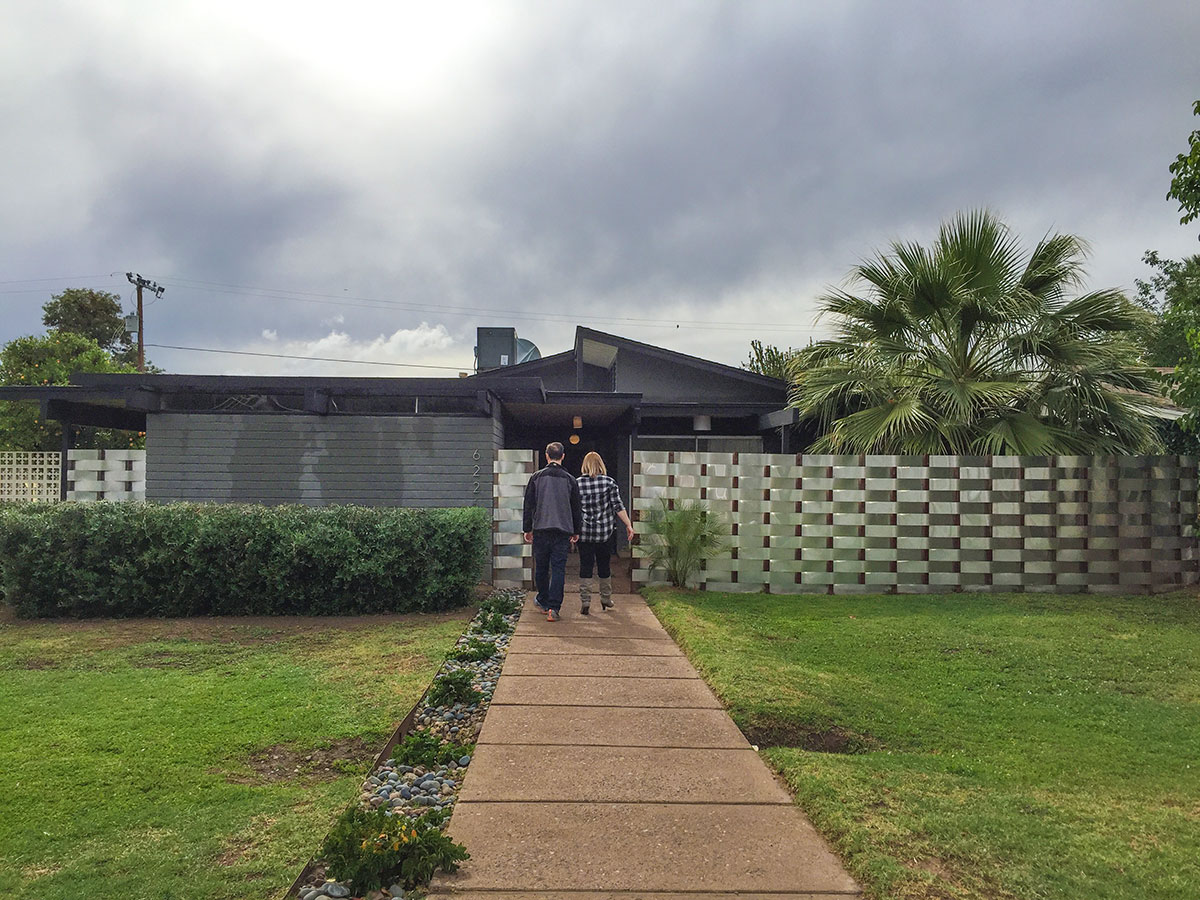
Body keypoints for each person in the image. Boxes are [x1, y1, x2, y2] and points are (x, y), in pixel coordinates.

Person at [522, 441, 582, 622]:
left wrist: (527, 528)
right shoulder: (570, 479)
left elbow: (529, 505)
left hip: (541, 529)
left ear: (546, 455)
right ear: (563, 456)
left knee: (541, 567)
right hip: (562, 531)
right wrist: (576, 530)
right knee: (558, 569)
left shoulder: (536, 477)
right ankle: (554, 609)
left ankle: (543, 600)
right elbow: (576, 508)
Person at [576, 450, 635, 614]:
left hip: (585, 532)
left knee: (586, 565)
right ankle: (605, 599)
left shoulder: (577, 483)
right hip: (604, 533)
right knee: (604, 564)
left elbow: (573, 509)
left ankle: (586, 602)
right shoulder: (609, 483)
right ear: (601, 464)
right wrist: (628, 524)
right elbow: (618, 506)